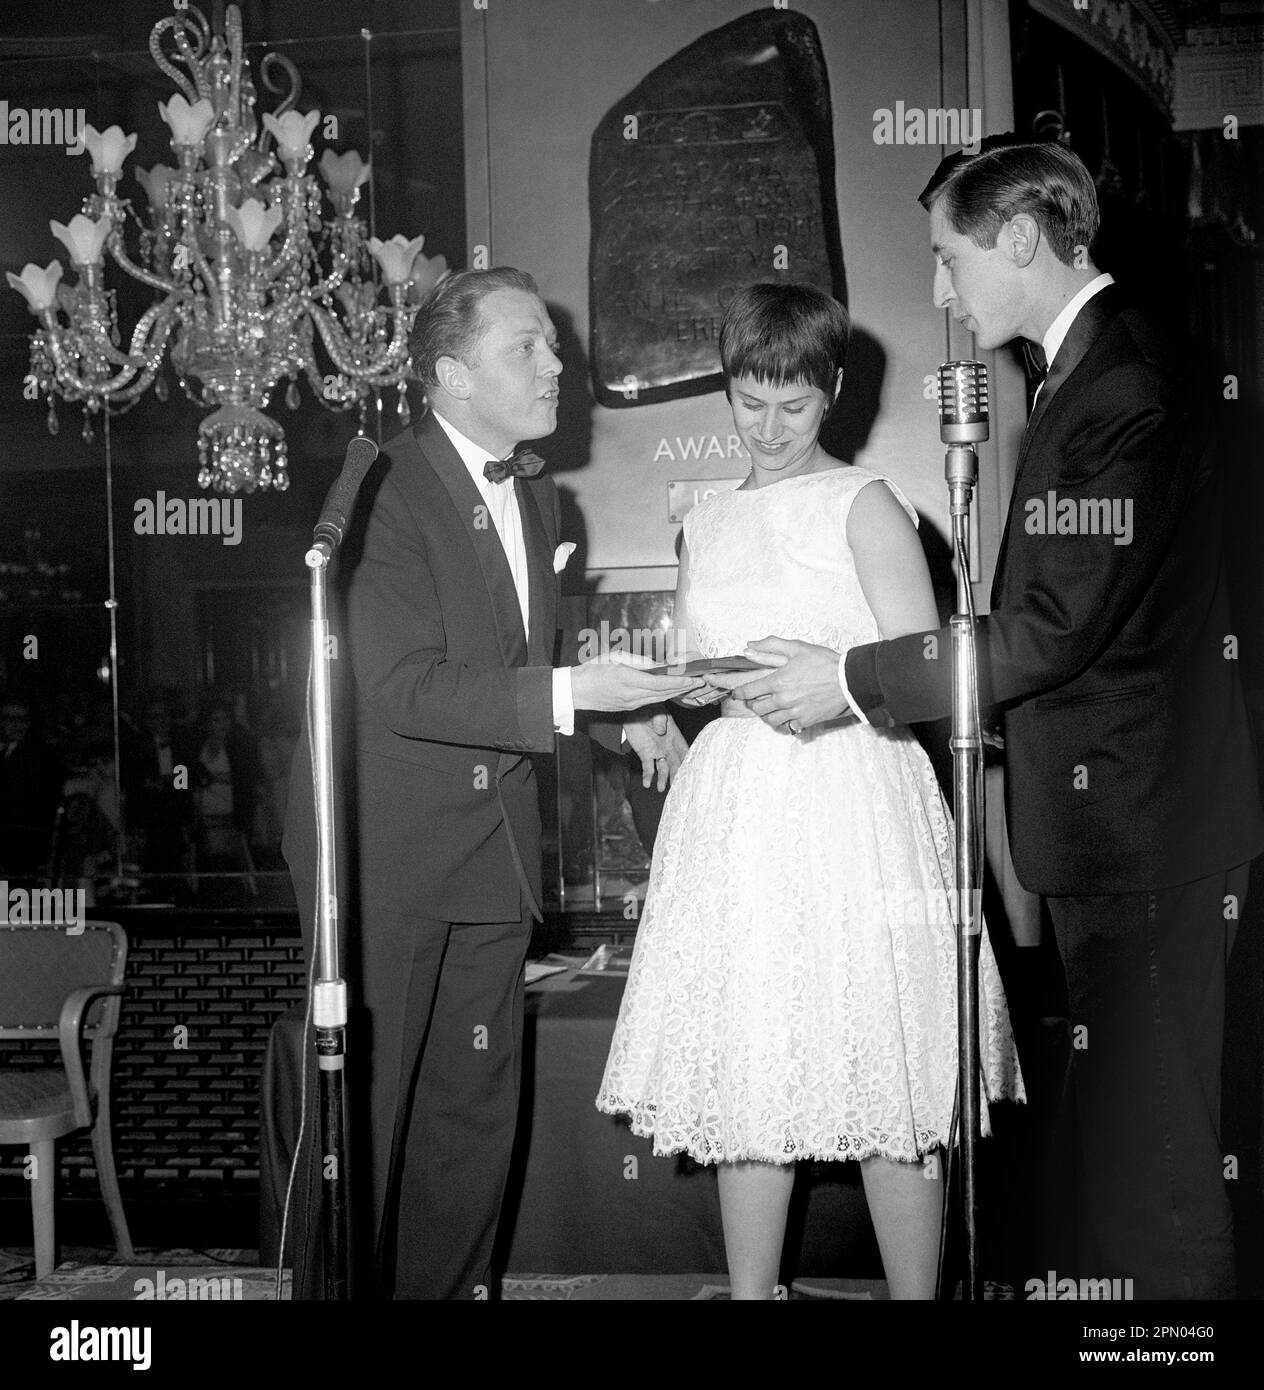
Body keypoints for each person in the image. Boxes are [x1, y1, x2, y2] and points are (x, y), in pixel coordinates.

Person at [717, 140, 1264, 1299]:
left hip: (1145, 834)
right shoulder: (1088, 371)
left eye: (946, 257)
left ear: (1019, 239)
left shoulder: (1125, 385)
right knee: (1130, 1154)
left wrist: (851, 679)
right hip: (1123, 829)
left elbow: (1052, 629)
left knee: (1155, 1168)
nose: (938, 291)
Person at [282, 266, 703, 1300]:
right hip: (386, 857)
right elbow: (400, 684)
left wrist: (625, 712)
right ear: (451, 374)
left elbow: (511, 657)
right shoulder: (378, 485)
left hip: (495, 857)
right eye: (529, 347)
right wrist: (571, 687)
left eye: (553, 344)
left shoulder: (536, 491)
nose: (559, 363)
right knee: (358, 1130)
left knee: (470, 1123)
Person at [596, 282, 1023, 1300]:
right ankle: (754, 1298)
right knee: (755, 1057)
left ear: (829, 392)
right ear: (727, 392)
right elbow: (714, 666)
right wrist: (664, 707)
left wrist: (833, 696)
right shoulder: (702, 521)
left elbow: (928, 671)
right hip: (738, 806)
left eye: (793, 404)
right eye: (750, 402)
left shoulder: (867, 504)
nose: (771, 427)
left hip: (854, 798)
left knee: (889, 1063)